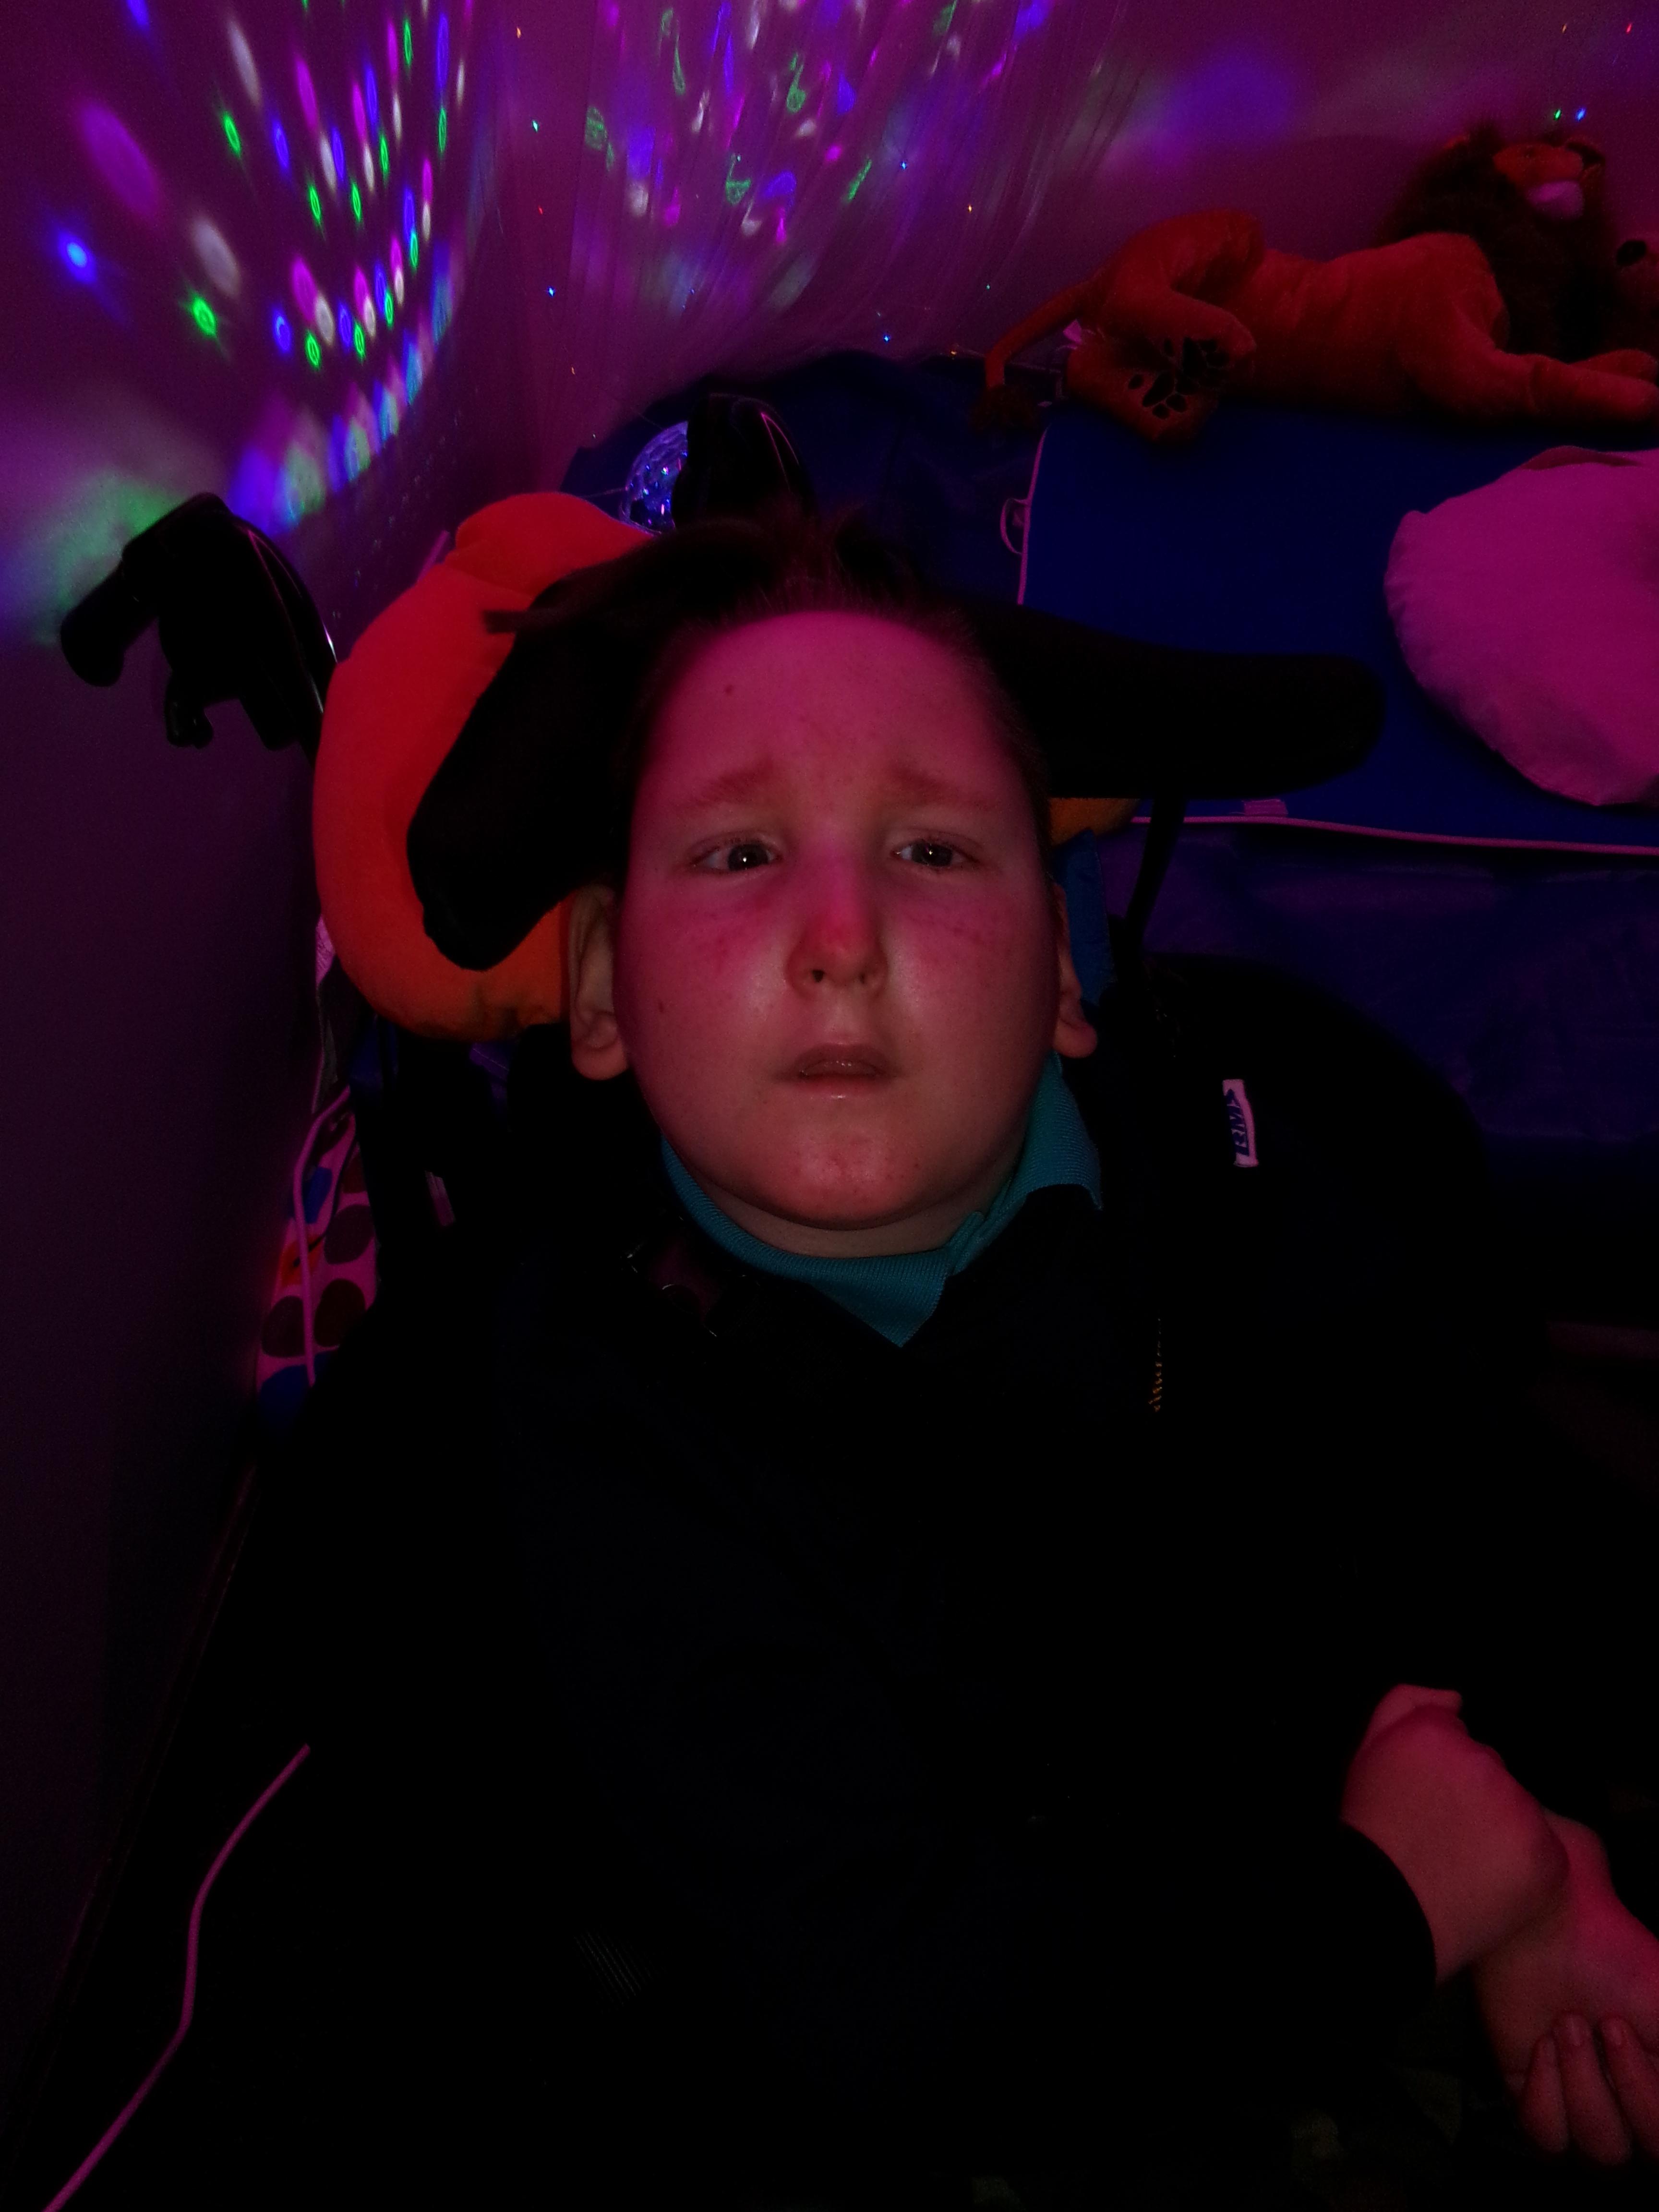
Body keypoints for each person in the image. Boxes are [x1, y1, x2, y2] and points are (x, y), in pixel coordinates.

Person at [470, 511, 1659, 2206]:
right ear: (598, 991)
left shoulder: (1264, 1158)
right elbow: (888, 2005)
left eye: (932, 851)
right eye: (738, 854)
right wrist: (1390, 1911)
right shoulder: (588, 1417)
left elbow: (1454, 1495)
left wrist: (1538, 1852)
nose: (838, 936)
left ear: (1065, 976)